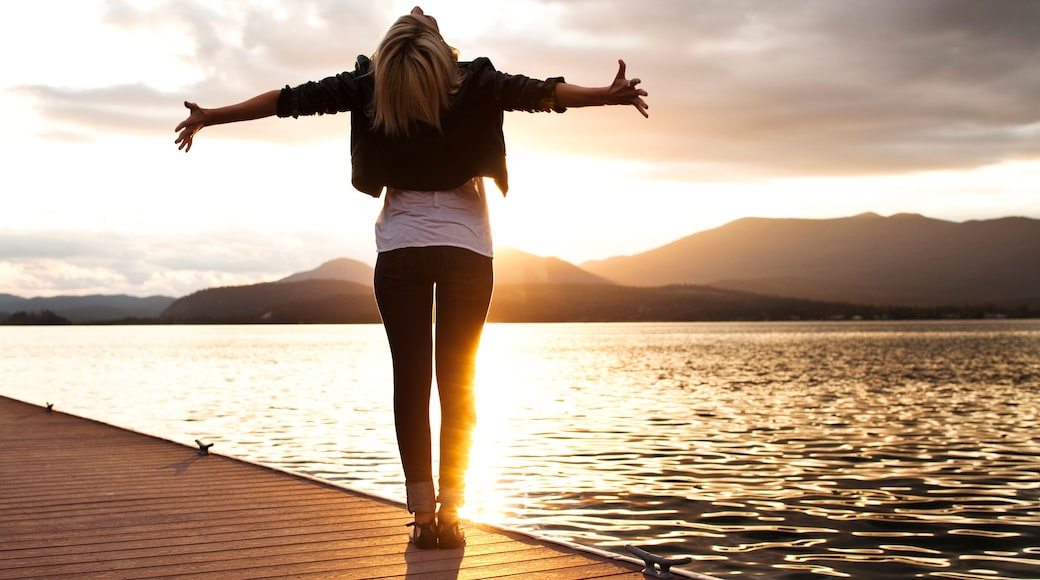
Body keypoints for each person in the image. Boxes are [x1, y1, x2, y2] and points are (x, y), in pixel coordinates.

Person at [174, 6, 648, 550]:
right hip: (467, 252)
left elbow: (285, 102)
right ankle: (452, 513)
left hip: (399, 253)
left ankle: (423, 518)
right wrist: (605, 96)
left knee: (411, 382)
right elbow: (543, 93)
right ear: (433, 42)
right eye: (422, 14)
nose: (423, 6)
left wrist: (213, 115)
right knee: (459, 382)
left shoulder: (368, 86)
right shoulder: (473, 81)